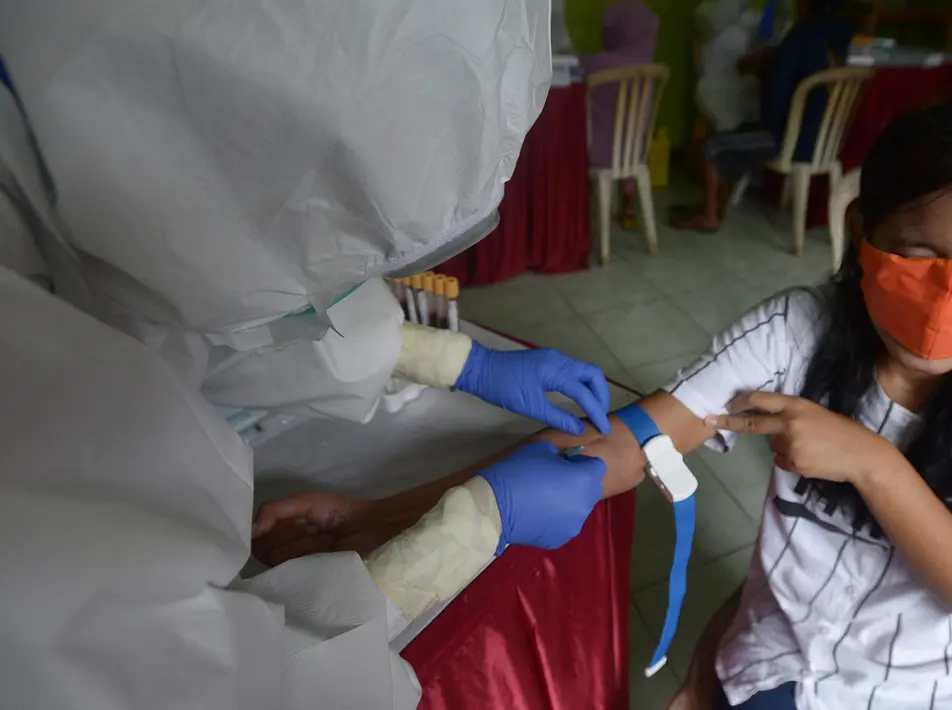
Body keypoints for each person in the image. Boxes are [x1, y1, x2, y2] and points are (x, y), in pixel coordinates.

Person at [261, 93, 952, 709]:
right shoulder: (799, 329)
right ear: (862, 233)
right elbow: (625, 446)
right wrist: (380, 518)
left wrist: (870, 461)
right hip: (780, 676)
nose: (943, 294)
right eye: (915, 250)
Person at [0, 2, 628, 708]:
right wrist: (468, 530)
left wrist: (459, 364)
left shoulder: (86, 164)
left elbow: (195, 304)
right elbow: (213, 687)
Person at [672, 0, 855, 232]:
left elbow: (774, 99)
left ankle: (709, 217)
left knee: (712, 146)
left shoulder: (798, 38)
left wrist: (765, 71)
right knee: (738, 134)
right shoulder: (842, 36)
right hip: (825, 141)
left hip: (788, 140)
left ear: (805, 6)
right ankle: (712, 204)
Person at [580, 0, 660, 229]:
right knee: (624, 129)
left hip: (597, 151)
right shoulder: (648, 67)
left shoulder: (597, 64)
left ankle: (575, 212)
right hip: (635, 151)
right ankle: (629, 206)